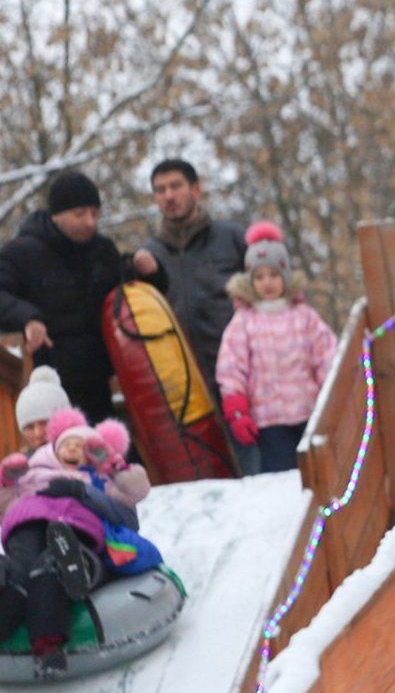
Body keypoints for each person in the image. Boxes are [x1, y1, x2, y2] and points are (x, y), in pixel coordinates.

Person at [0, 171, 168, 422]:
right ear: (57, 215)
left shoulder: (102, 250)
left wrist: (151, 274)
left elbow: (130, 294)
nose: (90, 222)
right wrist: (28, 319)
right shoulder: (23, 253)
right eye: (80, 214)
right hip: (47, 385)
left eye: (95, 214)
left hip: (99, 383)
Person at [0, 407, 149, 677]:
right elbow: (5, 506)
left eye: (80, 446)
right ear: (54, 450)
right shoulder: (34, 472)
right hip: (28, 520)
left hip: (72, 525)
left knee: (49, 566)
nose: (71, 450)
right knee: (19, 567)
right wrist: (6, 484)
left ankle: (47, 644)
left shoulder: (97, 480)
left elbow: (133, 497)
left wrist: (104, 474)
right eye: (66, 444)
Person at [133, 159, 255, 473]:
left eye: (175, 186)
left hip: (243, 380)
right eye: (160, 190)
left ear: (195, 190)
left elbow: (269, 293)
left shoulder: (231, 239)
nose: (168, 196)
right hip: (185, 391)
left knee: (259, 475)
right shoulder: (149, 256)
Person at [215, 222, 337, 473]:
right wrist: (237, 408)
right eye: (259, 277)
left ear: (285, 277)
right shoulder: (244, 322)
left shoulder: (304, 317)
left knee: (318, 475)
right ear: (250, 281)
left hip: (309, 415)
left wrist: (332, 396)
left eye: (273, 275)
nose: (267, 283)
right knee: (283, 479)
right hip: (269, 422)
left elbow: (326, 356)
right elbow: (231, 368)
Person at [14, 366, 72, 455]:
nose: (38, 433)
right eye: (29, 427)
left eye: (45, 423)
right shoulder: (18, 467)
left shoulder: (90, 459)